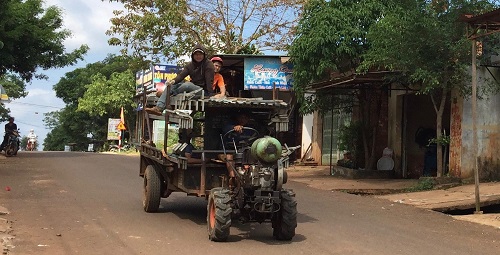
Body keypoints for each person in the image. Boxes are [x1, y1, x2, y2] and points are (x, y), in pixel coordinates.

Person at [146, 44, 215, 115]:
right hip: (193, 88)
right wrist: (173, 81)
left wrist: (210, 95)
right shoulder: (190, 65)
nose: (198, 56)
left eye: (200, 54)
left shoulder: (209, 65)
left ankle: (168, 94)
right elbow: (181, 76)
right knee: (172, 85)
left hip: (203, 91)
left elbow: (209, 80)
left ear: (204, 55)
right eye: (196, 54)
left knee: (187, 85)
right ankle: (158, 108)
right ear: (193, 56)